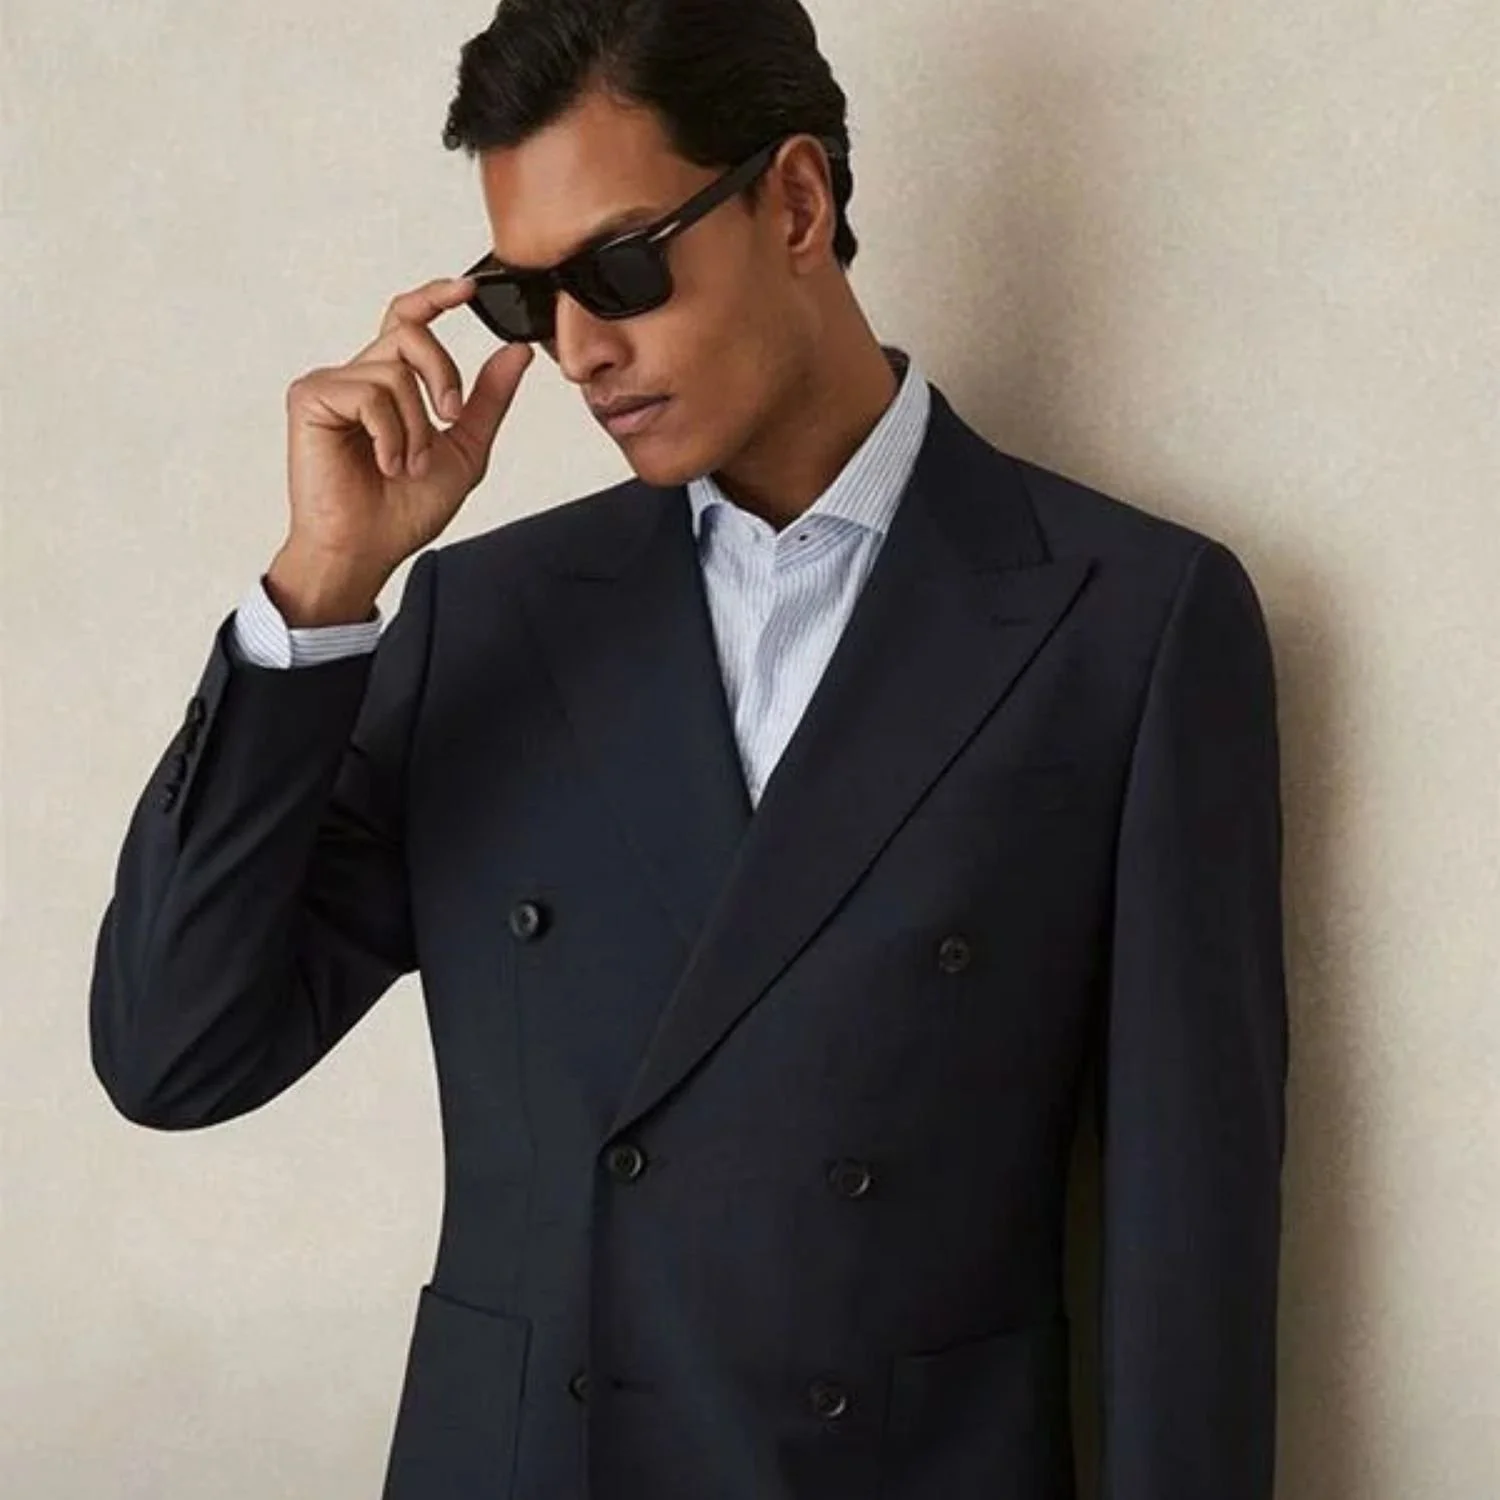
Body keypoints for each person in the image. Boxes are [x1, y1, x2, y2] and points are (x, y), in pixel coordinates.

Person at [88, 2, 1289, 1497]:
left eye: (621, 269)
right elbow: (174, 1050)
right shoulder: (489, 617)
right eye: (527, 301)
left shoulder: (1129, 620)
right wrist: (323, 587)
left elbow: (1188, 1243)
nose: (581, 352)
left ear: (796, 201)